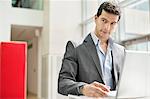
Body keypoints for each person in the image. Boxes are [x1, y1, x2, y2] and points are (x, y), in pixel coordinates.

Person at [58, 1, 125, 97]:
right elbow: (63, 83)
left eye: (112, 23)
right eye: (104, 20)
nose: (107, 27)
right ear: (96, 18)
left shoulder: (120, 51)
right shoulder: (75, 47)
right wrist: (83, 88)